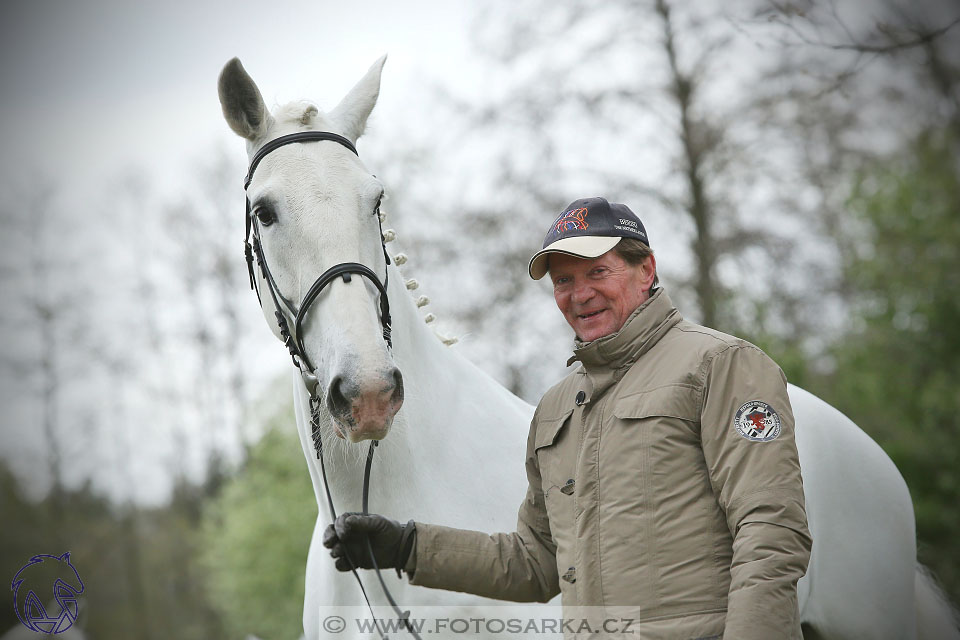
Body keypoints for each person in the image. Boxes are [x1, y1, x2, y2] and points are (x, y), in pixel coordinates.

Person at [323, 197, 812, 639]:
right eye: (564, 281)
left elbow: (771, 531)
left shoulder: (722, 365)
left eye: (597, 272)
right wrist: (408, 546)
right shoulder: (557, 408)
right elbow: (534, 561)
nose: (580, 295)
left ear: (646, 270)